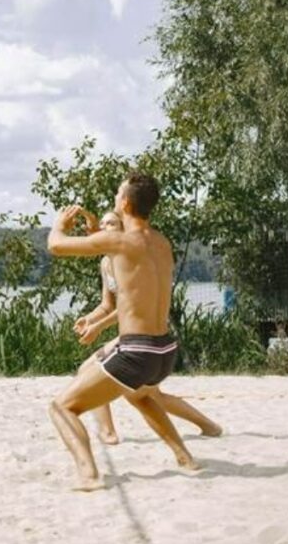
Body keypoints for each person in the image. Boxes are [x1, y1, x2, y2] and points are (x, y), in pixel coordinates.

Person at [46, 173, 199, 491]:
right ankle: (185, 457)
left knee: (62, 406)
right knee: (139, 395)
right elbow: (129, 274)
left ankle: (88, 475)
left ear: (126, 203)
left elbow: (56, 246)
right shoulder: (161, 242)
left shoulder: (120, 241)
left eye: (117, 194)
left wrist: (61, 223)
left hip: (137, 351)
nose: (115, 198)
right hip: (165, 350)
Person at [74, 210, 222, 444]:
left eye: (111, 223)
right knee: (150, 395)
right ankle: (209, 425)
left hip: (144, 338)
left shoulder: (129, 258)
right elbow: (107, 305)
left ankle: (108, 433)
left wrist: (99, 327)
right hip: (135, 339)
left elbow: (128, 305)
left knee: (89, 370)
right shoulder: (105, 262)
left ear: (122, 228)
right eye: (102, 224)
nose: (104, 227)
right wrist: (90, 319)